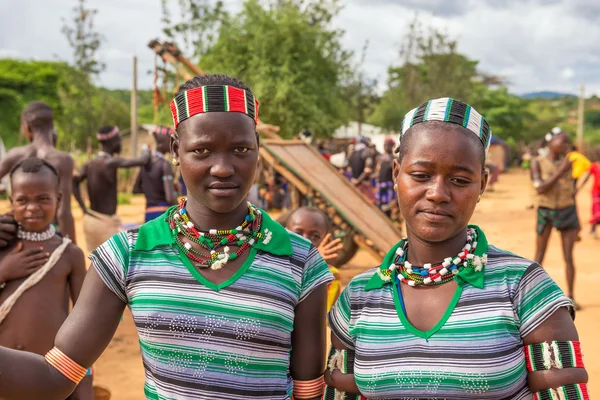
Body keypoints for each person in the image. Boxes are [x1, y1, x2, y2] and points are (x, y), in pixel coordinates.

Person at [0, 74, 332, 400]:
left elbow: (308, 392)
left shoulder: (300, 261)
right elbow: (56, 376)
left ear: (257, 148)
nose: (222, 167)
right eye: (202, 150)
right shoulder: (127, 255)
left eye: (241, 148)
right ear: (176, 149)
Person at [325, 98, 587, 399]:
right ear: (396, 173)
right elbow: (341, 392)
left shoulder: (523, 287)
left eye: (460, 180)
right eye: (421, 176)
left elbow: (563, 390)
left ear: (482, 185)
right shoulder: (359, 297)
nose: (437, 194)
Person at [0, 157, 92, 399]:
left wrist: (85, 381)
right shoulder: (2, 248)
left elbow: (86, 323)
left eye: (42, 198)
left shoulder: (69, 253)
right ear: (10, 202)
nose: (32, 207)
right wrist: (4, 270)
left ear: (58, 200)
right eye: (22, 200)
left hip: (48, 379)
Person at [0, 101, 76, 241]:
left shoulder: (15, 155)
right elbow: (64, 212)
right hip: (52, 234)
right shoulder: (63, 160)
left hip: (19, 233)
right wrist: (71, 247)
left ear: (26, 127)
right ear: (52, 127)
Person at [72, 126, 150, 253]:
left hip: (91, 220)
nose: (120, 143)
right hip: (105, 223)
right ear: (113, 142)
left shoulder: (90, 164)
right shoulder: (110, 162)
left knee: (96, 263)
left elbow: (74, 182)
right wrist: (146, 150)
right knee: (113, 262)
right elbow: (142, 161)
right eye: (119, 140)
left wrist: (83, 208)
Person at [531, 129, 580, 307]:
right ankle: (532, 296)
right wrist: (560, 172)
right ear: (551, 142)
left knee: (568, 256)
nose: (566, 145)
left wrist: (578, 222)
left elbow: (573, 192)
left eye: (567, 142)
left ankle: (571, 296)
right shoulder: (537, 163)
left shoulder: (570, 164)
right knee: (539, 255)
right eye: (563, 141)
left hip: (567, 211)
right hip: (546, 210)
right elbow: (540, 188)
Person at [284, 207, 344, 312]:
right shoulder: (271, 262)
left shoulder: (331, 276)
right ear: (285, 232)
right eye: (298, 233)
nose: (305, 241)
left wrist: (314, 266)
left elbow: (323, 316)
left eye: (315, 237)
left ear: (325, 239)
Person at [132, 126, 178, 222]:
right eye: (170, 141)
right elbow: (170, 197)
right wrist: (181, 211)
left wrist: (153, 191)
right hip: (163, 214)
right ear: (161, 144)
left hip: (149, 214)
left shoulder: (145, 164)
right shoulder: (165, 164)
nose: (174, 144)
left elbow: (136, 189)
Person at [579, 147, 600, 238]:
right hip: (596, 191)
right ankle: (593, 230)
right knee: (596, 211)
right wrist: (579, 187)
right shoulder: (594, 165)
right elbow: (587, 177)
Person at [375, 137, 396, 218]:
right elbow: (377, 171)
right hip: (380, 185)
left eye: (388, 145)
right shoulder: (380, 157)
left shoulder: (394, 159)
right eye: (385, 145)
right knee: (379, 205)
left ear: (392, 146)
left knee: (389, 206)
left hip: (389, 186)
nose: (386, 146)